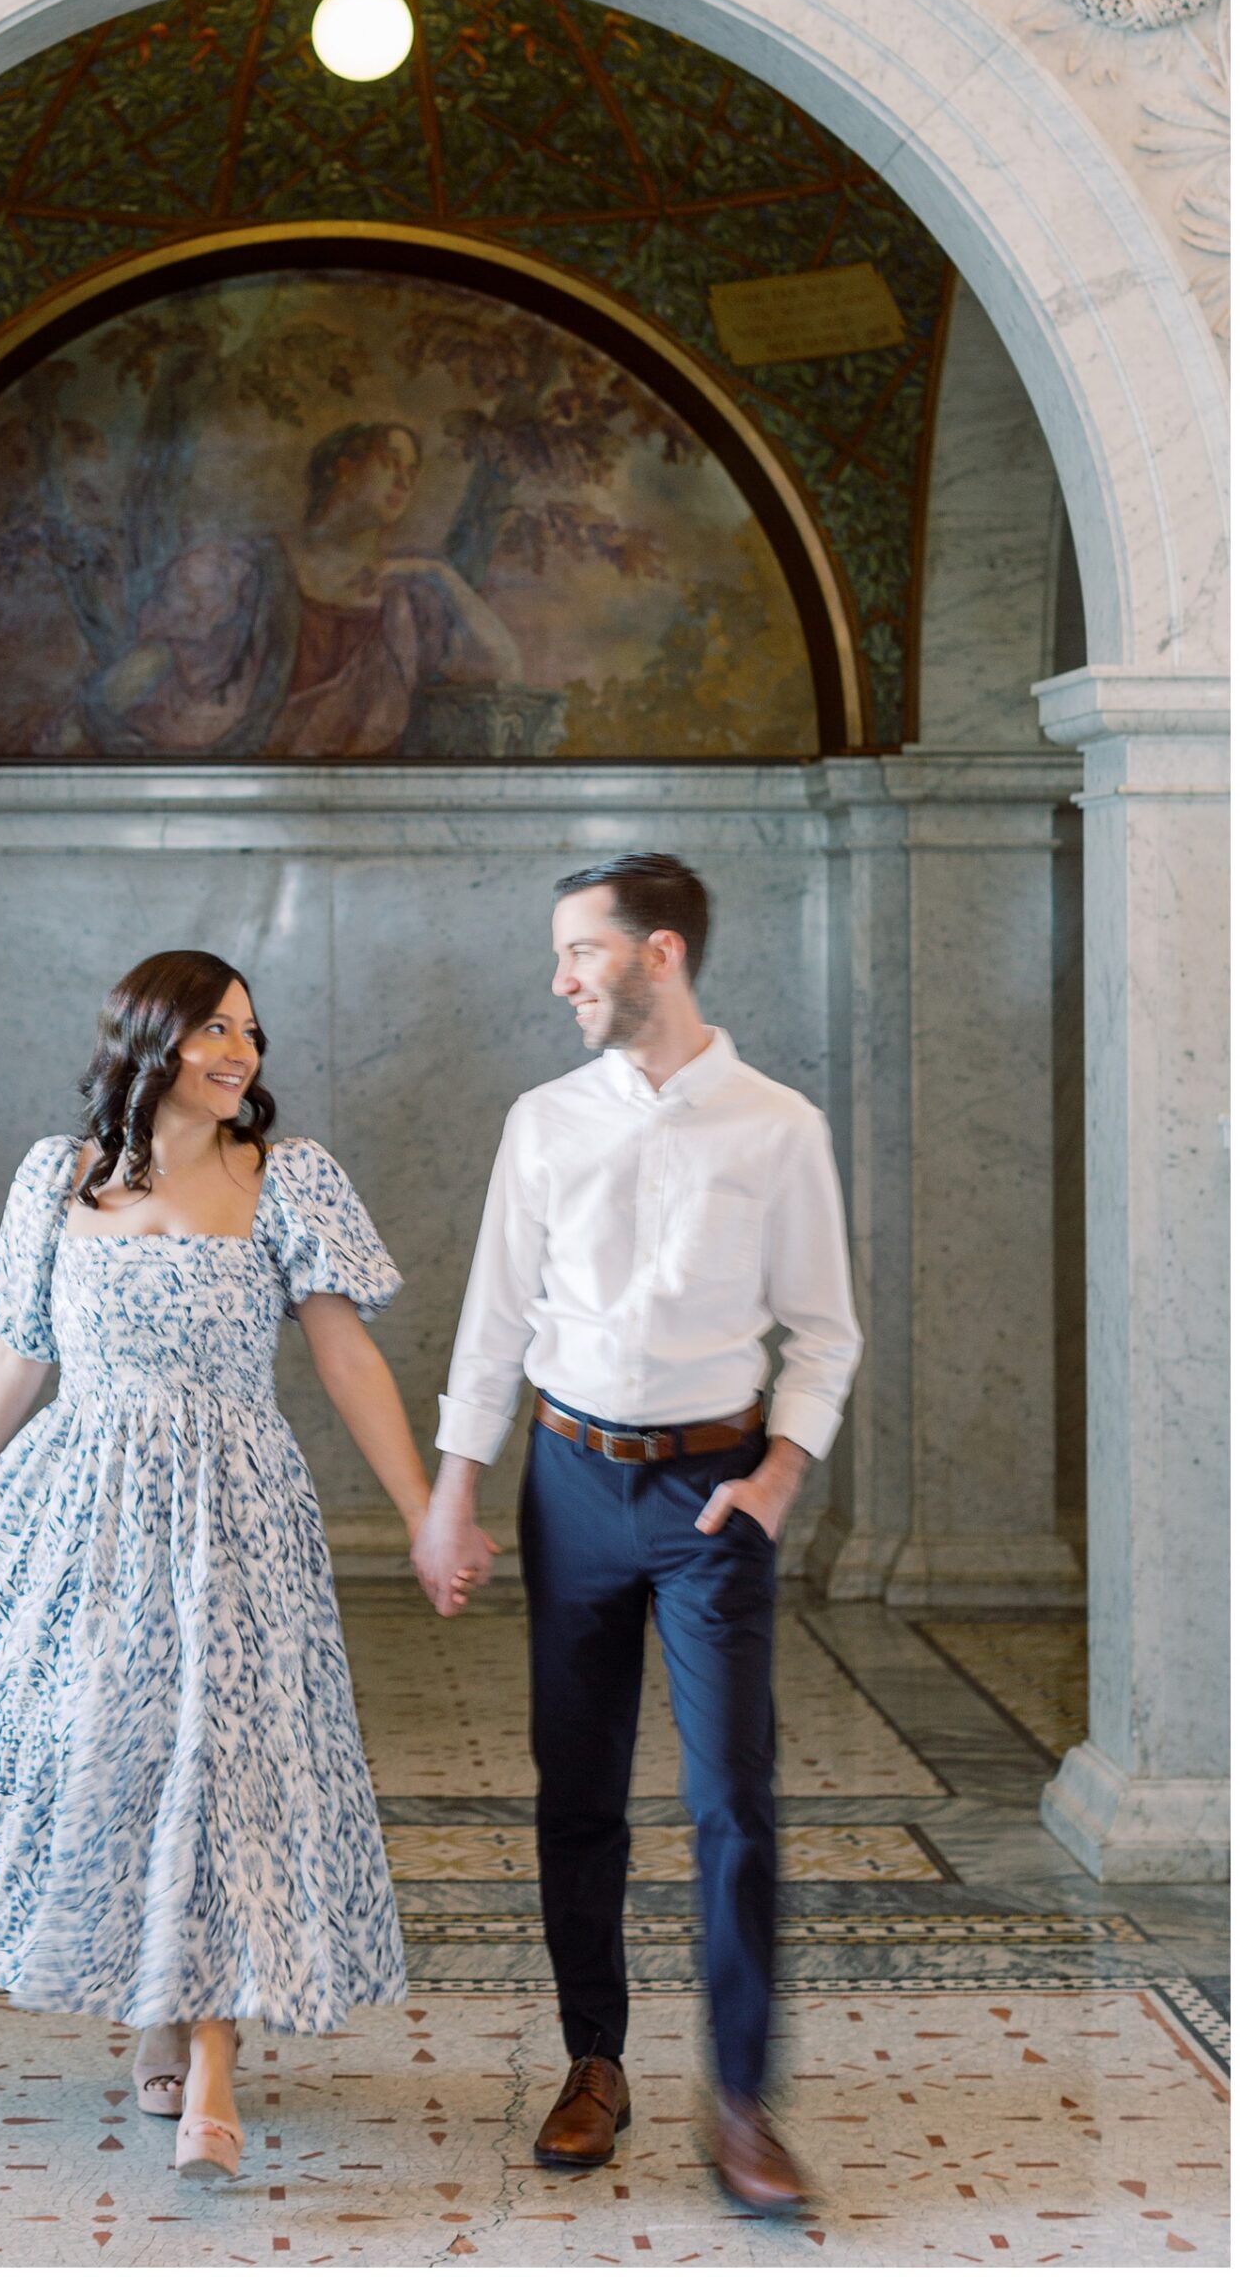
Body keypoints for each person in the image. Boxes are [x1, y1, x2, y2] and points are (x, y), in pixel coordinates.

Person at [0, 950, 462, 2182]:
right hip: (82, 1504)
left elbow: (347, 1360)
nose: (240, 1052)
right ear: (148, 1042)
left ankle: (212, 2070)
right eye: (212, 1030)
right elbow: (15, 1352)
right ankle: (154, 1999)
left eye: (249, 1030)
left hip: (233, 1509)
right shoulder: (57, 1175)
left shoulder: (285, 1178)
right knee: (117, 1756)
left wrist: (421, 1509)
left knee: (223, 1766)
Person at [411, 853, 862, 2216]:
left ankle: (740, 2103)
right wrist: (454, 1488)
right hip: (568, 1484)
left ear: (658, 954)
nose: (559, 980)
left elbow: (825, 1333)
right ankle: (592, 2061)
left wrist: (780, 1475)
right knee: (578, 1791)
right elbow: (496, 1316)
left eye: (579, 953)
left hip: (713, 1492)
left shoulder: (777, 1126)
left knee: (734, 1800)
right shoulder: (542, 1122)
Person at [269, 421, 523, 755]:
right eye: (390, 463)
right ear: (345, 469)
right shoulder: (262, 568)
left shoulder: (409, 592)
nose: (404, 482)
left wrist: (437, 573)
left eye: (412, 472)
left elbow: (504, 667)